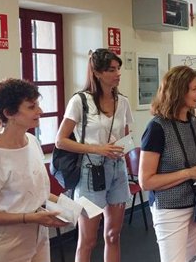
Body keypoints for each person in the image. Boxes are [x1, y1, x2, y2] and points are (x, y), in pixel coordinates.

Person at [0, 78, 68, 262]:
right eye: (31, 107)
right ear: (9, 113)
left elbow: (37, 194)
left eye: (37, 105)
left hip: (36, 239)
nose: (40, 111)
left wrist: (71, 207)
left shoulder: (32, 142)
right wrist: (28, 217)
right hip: (2, 248)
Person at [55, 48, 134, 262]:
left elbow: (127, 137)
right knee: (88, 240)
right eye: (111, 69)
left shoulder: (123, 102)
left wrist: (122, 147)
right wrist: (98, 149)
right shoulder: (80, 101)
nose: (117, 73)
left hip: (117, 170)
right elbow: (61, 140)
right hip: (90, 173)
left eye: (118, 69)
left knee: (113, 235)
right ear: (97, 73)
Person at [139, 65, 196, 262]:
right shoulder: (157, 128)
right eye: (194, 88)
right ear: (177, 91)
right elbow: (146, 182)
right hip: (170, 209)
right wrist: (189, 173)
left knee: (190, 259)